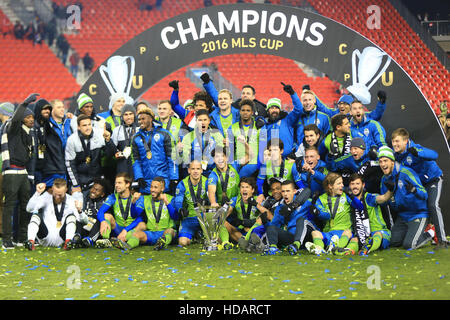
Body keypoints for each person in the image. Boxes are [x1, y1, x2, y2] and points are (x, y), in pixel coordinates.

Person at [391, 128, 447, 247]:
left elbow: (434, 155)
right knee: (421, 207)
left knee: (432, 205)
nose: (395, 144)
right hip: (418, 185)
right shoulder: (396, 154)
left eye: (397, 141)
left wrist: (419, 153)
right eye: (393, 142)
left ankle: (442, 240)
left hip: (433, 179)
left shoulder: (415, 148)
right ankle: (428, 232)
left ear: (406, 141)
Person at [378, 146, 434, 250]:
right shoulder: (383, 180)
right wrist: (389, 194)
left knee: (409, 245)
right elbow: (384, 203)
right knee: (394, 242)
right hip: (403, 216)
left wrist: (414, 190)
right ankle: (412, 233)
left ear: (392, 162)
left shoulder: (406, 172)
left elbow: (424, 194)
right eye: (380, 161)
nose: (383, 164)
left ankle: (430, 232)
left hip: (418, 213)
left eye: (385, 160)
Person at [1, 94, 38, 248]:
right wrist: (24, 103)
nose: (31, 120)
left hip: (23, 172)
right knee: (9, 206)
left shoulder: (29, 134)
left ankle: (22, 238)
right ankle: (7, 240)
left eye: (32, 118)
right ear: (22, 118)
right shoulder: (13, 128)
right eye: (28, 117)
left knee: (25, 206)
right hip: (11, 171)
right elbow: (15, 119)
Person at [340, 173, 392, 255]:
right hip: (361, 234)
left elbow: (384, 198)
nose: (355, 186)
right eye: (352, 184)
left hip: (379, 232)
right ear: (349, 186)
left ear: (363, 185)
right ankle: (347, 251)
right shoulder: (349, 200)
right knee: (354, 239)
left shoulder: (369, 197)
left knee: (377, 235)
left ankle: (368, 248)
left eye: (357, 184)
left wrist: (391, 190)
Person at [131, 106, 178, 194]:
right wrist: (139, 177)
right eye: (139, 119)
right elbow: (135, 160)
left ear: (151, 119)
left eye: (143, 119)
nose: (140, 121)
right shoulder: (136, 138)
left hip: (164, 181)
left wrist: (174, 178)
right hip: (146, 183)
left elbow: (172, 158)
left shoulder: (164, 134)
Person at [305, 173, 355, 255]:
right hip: (328, 233)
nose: (342, 185)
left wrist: (352, 195)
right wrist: (314, 207)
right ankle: (320, 249)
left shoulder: (345, 196)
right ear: (330, 186)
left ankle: (336, 248)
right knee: (315, 233)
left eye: (342, 183)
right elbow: (321, 216)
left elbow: (360, 207)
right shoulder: (321, 199)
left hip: (342, 233)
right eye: (339, 183)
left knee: (348, 232)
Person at [25, 179, 80, 251]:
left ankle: (68, 242)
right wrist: (37, 193)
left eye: (60, 195)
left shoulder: (71, 200)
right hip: (45, 237)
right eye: (55, 194)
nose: (57, 197)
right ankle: (30, 242)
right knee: (35, 216)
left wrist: (80, 210)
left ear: (66, 190)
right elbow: (29, 209)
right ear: (52, 189)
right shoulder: (46, 197)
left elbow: (79, 220)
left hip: (62, 238)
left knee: (72, 217)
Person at [65, 114, 114, 193]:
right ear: (78, 127)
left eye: (89, 124)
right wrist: (76, 185)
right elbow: (70, 164)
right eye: (84, 125)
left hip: (97, 179)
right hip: (81, 180)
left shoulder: (99, 133)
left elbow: (110, 154)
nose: (88, 128)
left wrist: (108, 140)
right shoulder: (72, 140)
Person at [125, 177, 178, 250]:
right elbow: (134, 215)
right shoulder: (145, 199)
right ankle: (127, 246)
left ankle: (162, 244)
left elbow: (175, 217)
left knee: (170, 231)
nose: (152, 190)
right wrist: (133, 202)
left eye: (155, 187)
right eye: (151, 187)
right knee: (136, 234)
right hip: (151, 233)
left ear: (162, 189)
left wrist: (166, 202)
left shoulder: (171, 199)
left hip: (165, 232)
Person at [95, 173, 144, 248]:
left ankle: (127, 243)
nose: (116, 185)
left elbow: (139, 218)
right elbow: (100, 211)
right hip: (118, 228)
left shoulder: (138, 198)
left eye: (119, 183)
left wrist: (126, 230)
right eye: (116, 183)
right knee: (107, 216)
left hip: (131, 229)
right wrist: (103, 221)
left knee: (142, 225)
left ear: (127, 184)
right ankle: (106, 240)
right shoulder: (113, 197)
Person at [265, 180, 313, 255]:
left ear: (294, 191)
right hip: (291, 237)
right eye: (283, 191)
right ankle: (273, 248)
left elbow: (308, 191)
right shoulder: (280, 208)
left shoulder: (305, 202)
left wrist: (293, 206)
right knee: (271, 227)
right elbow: (274, 226)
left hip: (308, 236)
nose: (285, 194)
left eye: (288, 191)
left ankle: (296, 245)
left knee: (301, 220)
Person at [225, 177, 271, 253]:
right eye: (242, 187)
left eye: (247, 187)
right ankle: (245, 243)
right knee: (224, 223)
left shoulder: (258, 200)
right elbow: (227, 212)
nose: (244, 189)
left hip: (254, 230)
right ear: (240, 189)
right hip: (240, 232)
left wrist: (256, 205)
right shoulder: (235, 199)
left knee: (260, 220)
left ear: (252, 190)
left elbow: (268, 215)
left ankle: (248, 242)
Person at [260, 83, 303, 158]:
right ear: (267, 111)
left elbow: (299, 109)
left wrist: (292, 94)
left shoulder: (287, 120)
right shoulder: (264, 125)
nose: (274, 110)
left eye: (276, 108)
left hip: (289, 159)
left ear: (280, 110)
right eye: (272, 108)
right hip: (271, 160)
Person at [173, 160, 208, 247]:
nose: (195, 171)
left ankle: (200, 233)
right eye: (193, 169)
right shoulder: (182, 184)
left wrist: (205, 203)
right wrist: (180, 209)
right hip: (188, 219)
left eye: (198, 169)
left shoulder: (207, 182)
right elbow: (178, 200)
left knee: (216, 240)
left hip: (204, 219)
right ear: (189, 170)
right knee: (182, 242)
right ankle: (194, 236)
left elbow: (213, 199)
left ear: (201, 170)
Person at [181, 109, 224, 177]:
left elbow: (221, 152)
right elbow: (186, 156)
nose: (202, 122)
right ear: (196, 121)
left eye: (205, 120)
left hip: (213, 171)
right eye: (200, 120)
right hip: (195, 173)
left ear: (209, 121)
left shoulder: (216, 134)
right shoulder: (189, 136)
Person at [226, 99, 264, 178]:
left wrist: (258, 165)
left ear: (252, 112)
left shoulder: (259, 126)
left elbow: (262, 148)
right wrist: (232, 166)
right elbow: (230, 150)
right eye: (243, 110)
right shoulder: (232, 128)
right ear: (240, 112)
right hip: (239, 164)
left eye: (248, 110)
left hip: (254, 165)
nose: (245, 112)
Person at [41, 99, 72, 187]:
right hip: (54, 168)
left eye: (63, 107)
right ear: (52, 110)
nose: (62, 109)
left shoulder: (69, 122)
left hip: (69, 166)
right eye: (59, 107)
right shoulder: (47, 125)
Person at [73, 178, 109, 247]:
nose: (93, 191)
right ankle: (77, 237)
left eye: (97, 190)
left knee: (100, 220)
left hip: (95, 229)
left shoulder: (105, 202)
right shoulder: (84, 197)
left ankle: (90, 240)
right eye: (93, 188)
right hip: (85, 224)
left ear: (102, 194)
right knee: (78, 218)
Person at [111, 104, 138, 178]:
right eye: (126, 114)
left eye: (131, 114)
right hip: (122, 166)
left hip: (137, 166)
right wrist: (115, 152)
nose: (128, 117)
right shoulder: (117, 130)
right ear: (122, 117)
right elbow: (113, 149)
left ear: (134, 115)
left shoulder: (140, 129)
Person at [32, 99, 52, 185]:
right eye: (44, 109)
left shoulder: (46, 125)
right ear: (38, 110)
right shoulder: (32, 126)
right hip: (34, 168)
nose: (47, 111)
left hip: (44, 168)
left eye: (49, 109)